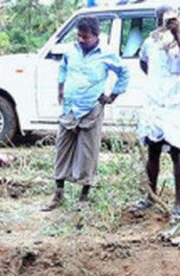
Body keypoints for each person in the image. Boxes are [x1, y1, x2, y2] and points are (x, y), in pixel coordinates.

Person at [43, 17, 128, 212]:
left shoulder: (106, 54)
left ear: (96, 36)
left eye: (86, 37)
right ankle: (58, 193)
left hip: (91, 108)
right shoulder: (71, 50)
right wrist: (60, 88)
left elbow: (124, 72)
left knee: (88, 152)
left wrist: (113, 95)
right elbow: (63, 68)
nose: (81, 40)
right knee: (62, 150)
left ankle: (84, 195)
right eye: (79, 36)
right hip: (70, 108)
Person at [135, 6, 180, 223]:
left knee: (178, 154)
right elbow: (143, 62)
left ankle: (179, 203)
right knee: (153, 151)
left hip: (176, 104)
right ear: (157, 19)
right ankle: (150, 196)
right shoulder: (150, 41)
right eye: (162, 18)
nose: (166, 21)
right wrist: (156, 82)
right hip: (155, 102)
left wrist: (178, 33)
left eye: (171, 17)